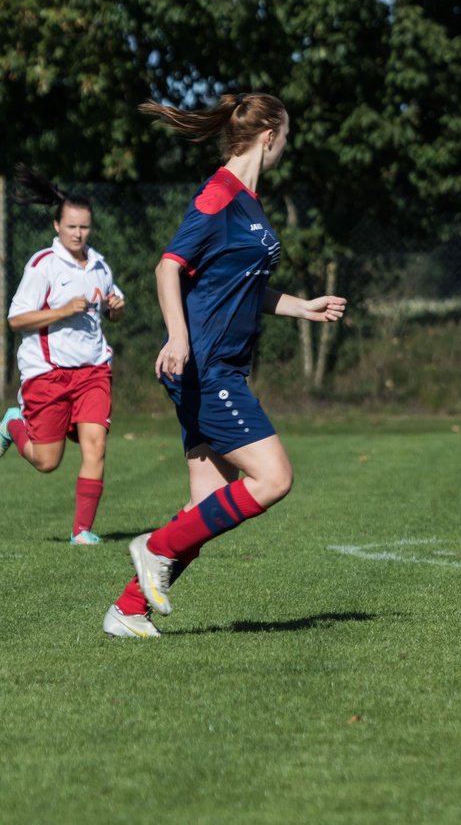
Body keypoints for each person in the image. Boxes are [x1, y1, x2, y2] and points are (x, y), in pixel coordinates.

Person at [102, 92, 346, 638]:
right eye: (286, 136)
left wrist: (299, 307)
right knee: (274, 476)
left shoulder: (248, 202)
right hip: (207, 369)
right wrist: (177, 337)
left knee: (205, 506)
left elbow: (239, 285)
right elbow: (169, 267)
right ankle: (153, 547)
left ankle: (128, 610)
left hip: (219, 367)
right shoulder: (218, 194)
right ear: (269, 137)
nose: (287, 145)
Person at [1, 164, 125, 545]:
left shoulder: (100, 264)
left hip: (93, 371)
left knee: (96, 445)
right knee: (46, 461)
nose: (78, 233)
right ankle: (11, 424)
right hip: (49, 374)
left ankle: (82, 531)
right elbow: (16, 319)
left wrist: (115, 307)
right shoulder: (43, 266)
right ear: (57, 226)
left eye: (84, 226)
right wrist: (63, 310)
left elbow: (111, 311)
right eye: (71, 226)